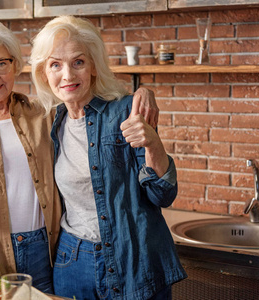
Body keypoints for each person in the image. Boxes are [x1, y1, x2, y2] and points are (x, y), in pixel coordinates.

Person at [0, 20, 158, 294]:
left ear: (14, 65)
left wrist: (141, 95)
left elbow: (87, 93)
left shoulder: (45, 112)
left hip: (46, 252)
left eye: (1, 63)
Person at [30, 15, 187, 300]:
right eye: (55, 65)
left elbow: (163, 195)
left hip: (134, 261)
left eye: (78, 62)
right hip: (73, 262)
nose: (67, 75)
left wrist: (153, 144)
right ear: (44, 74)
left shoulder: (126, 111)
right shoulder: (49, 121)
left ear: (92, 67)